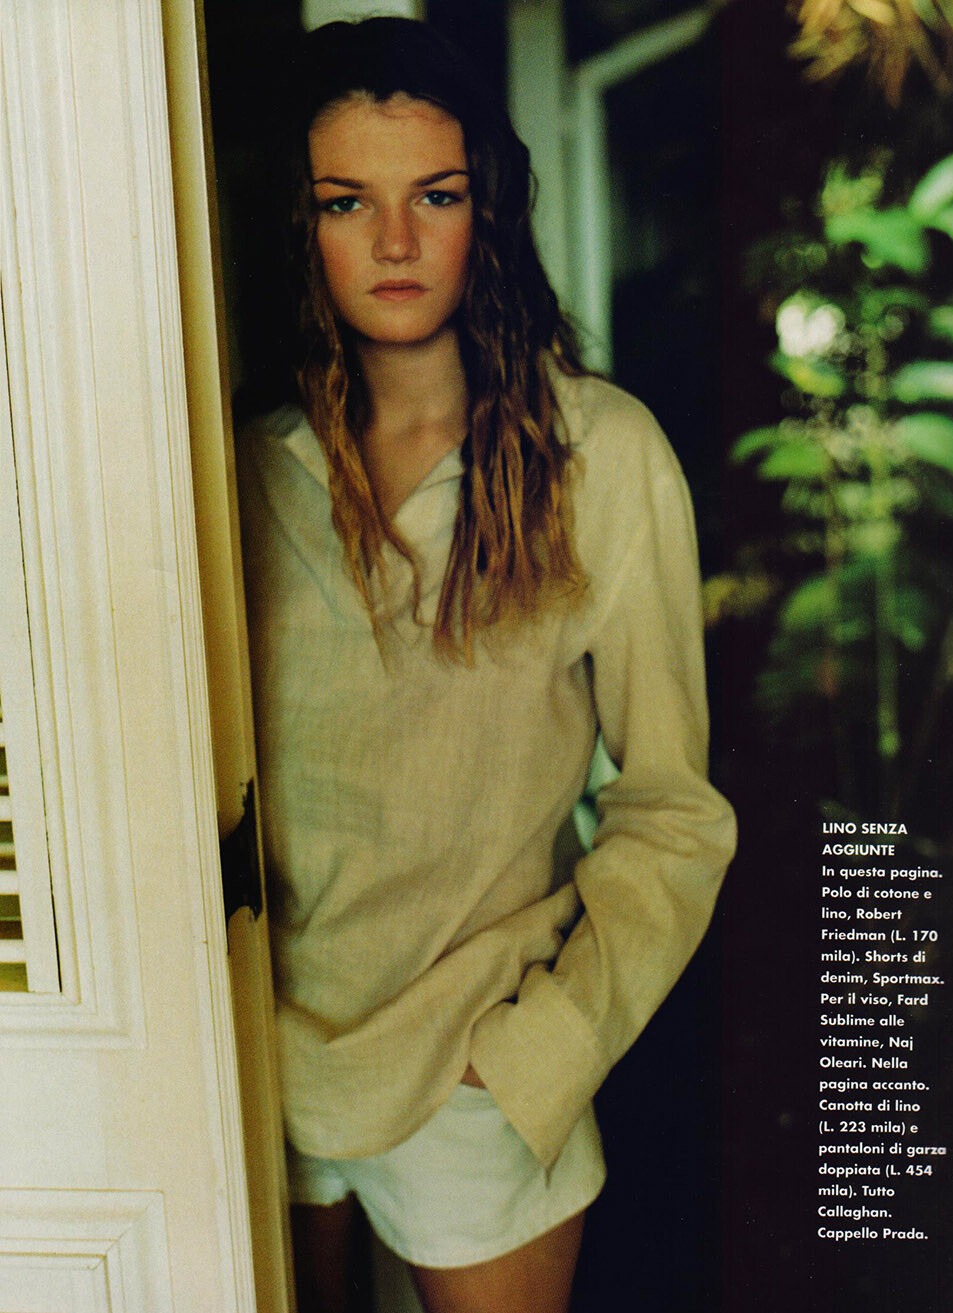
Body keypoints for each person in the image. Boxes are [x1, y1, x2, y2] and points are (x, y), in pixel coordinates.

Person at [237, 17, 737, 1313]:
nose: (396, 242)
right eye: (347, 201)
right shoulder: (238, 470)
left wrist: (540, 1050)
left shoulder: (598, 455)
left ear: (489, 211)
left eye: (437, 195)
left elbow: (674, 811)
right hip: (256, 1061)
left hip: (473, 1062)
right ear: (300, 223)